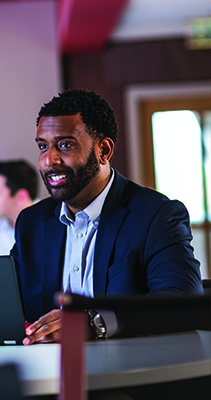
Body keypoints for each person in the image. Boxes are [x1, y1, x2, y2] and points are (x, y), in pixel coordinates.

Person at [11, 89, 203, 346]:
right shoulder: (32, 222)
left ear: (104, 150)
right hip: (45, 374)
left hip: (129, 374)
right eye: (43, 146)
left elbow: (182, 301)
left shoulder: (156, 215)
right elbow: (7, 302)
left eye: (65, 145)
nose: (49, 160)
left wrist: (94, 323)